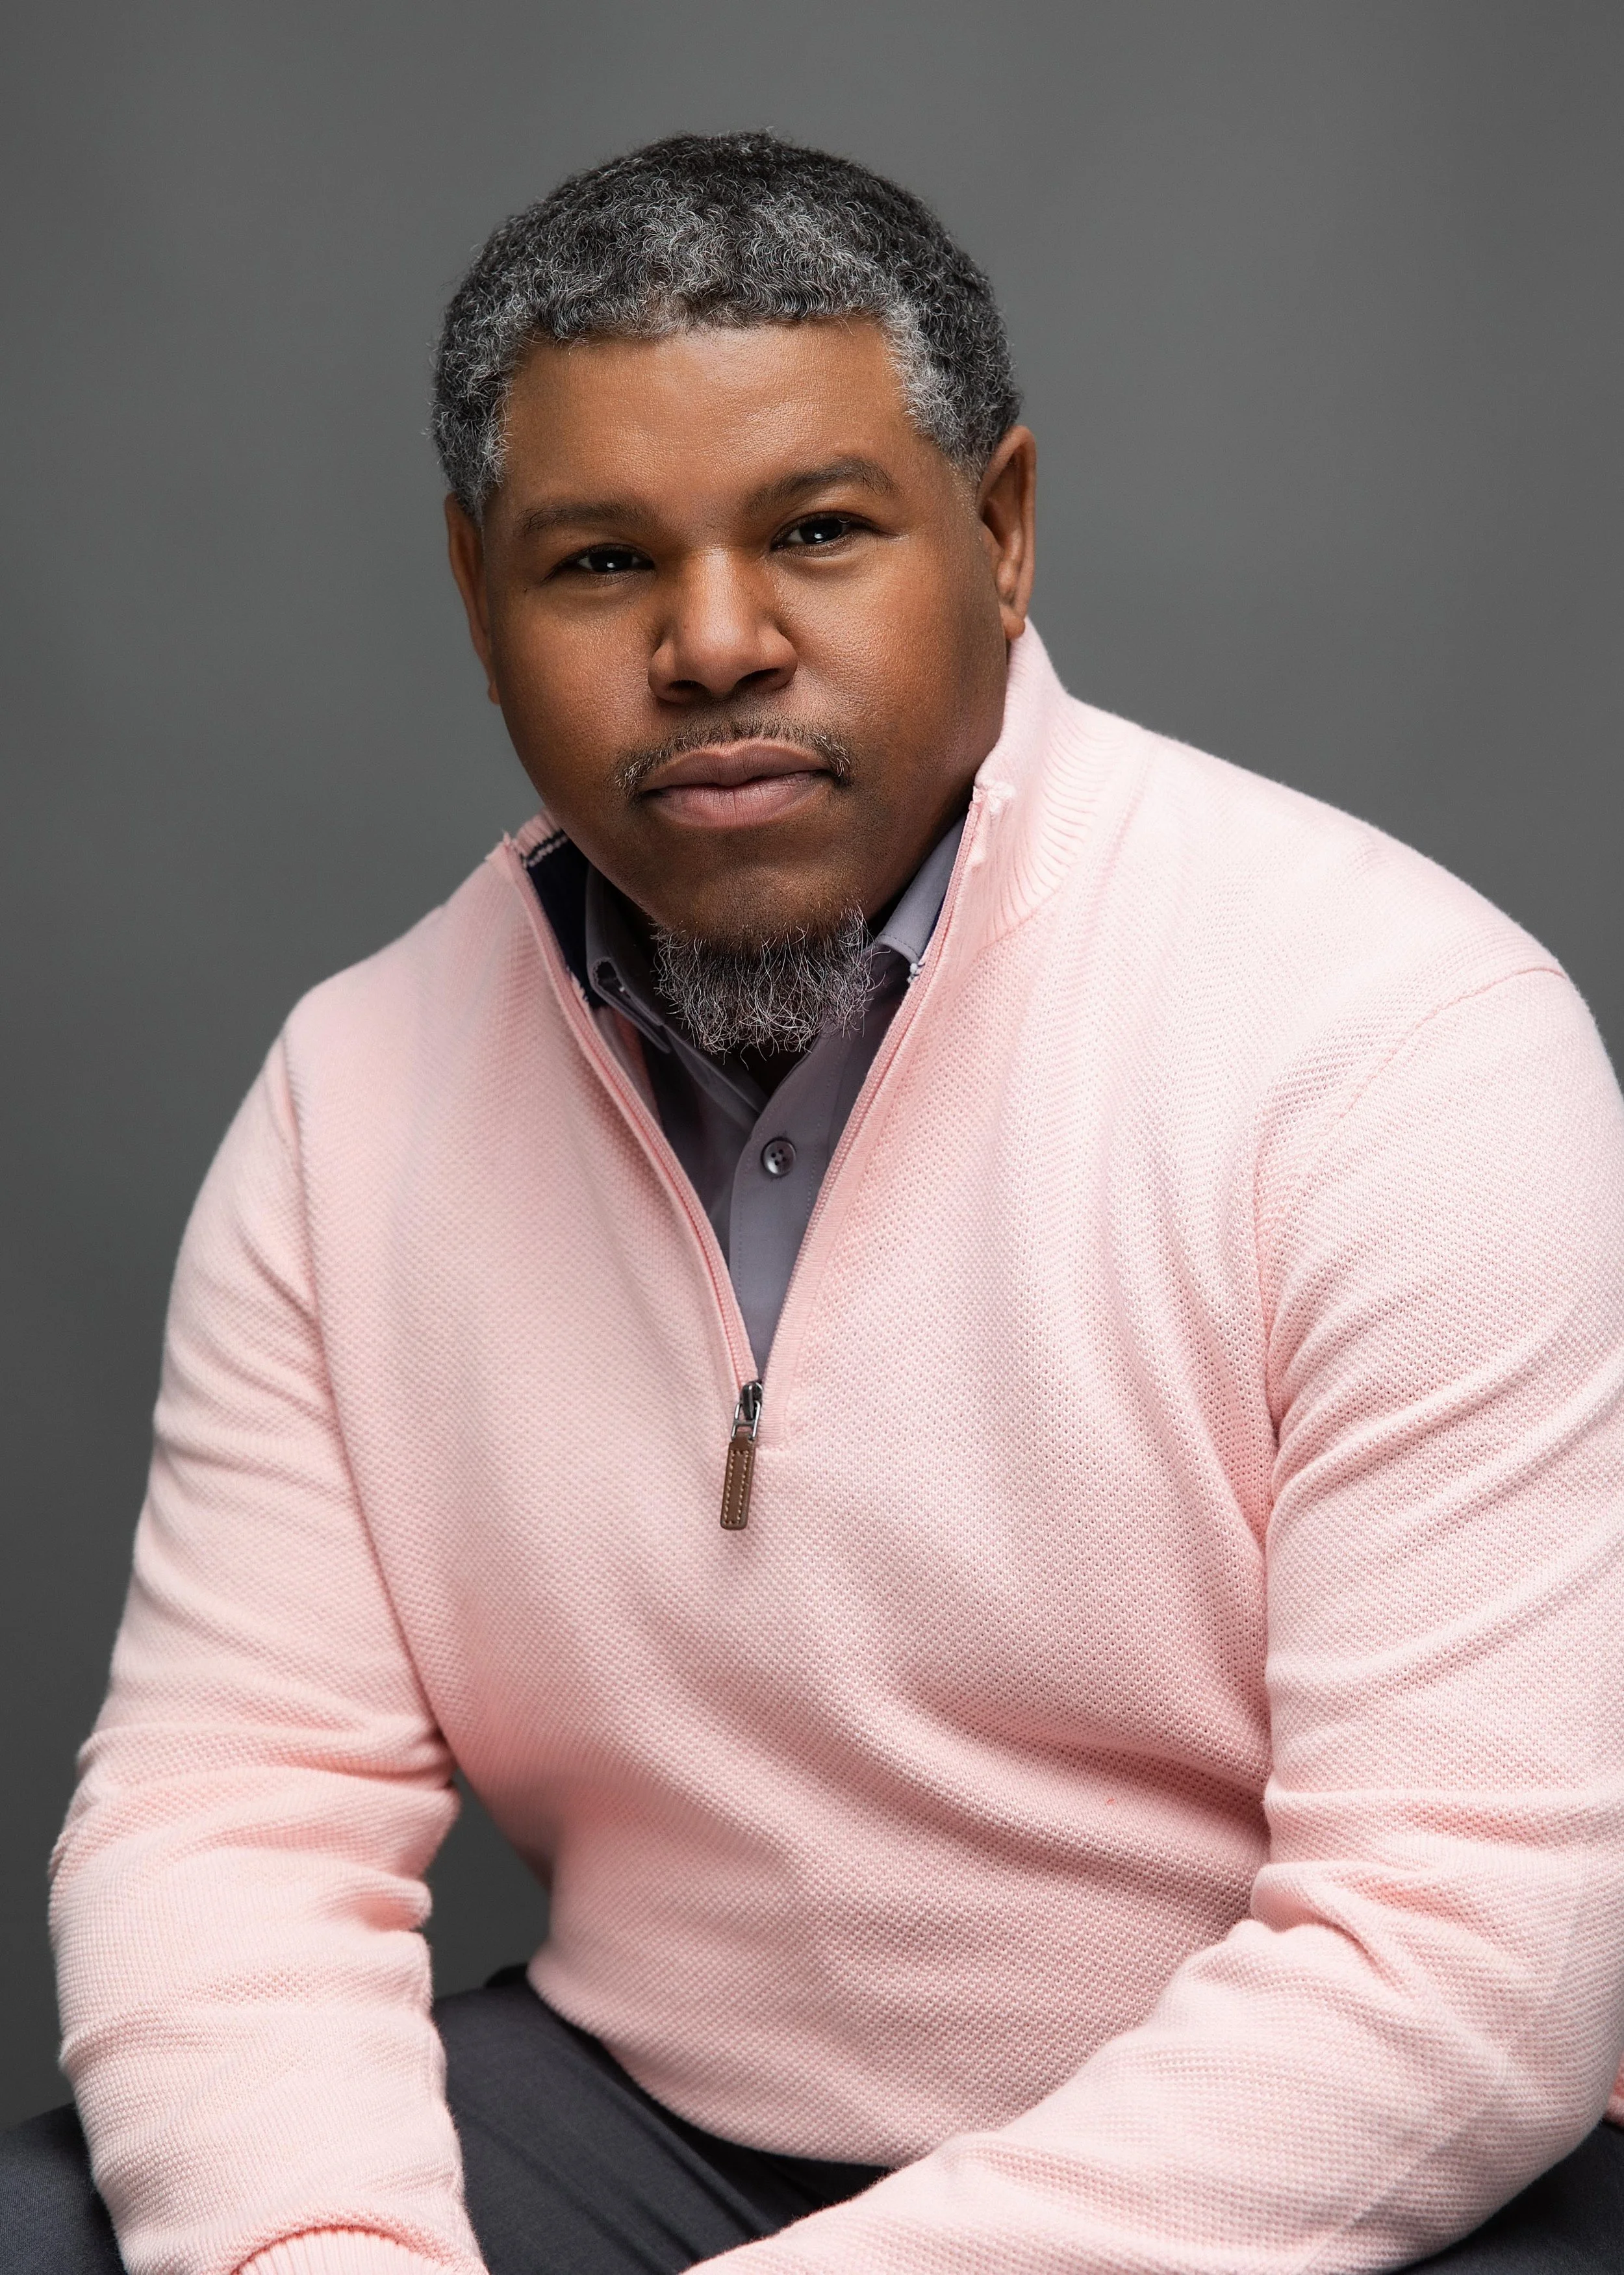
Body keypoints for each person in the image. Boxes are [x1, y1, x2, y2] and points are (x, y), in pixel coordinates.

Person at [5, 129, 1623, 2275]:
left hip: (1314, 2159)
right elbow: (235, 1805)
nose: (712, 641)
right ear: (478, 603)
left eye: (820, 530)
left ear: (1004, 533)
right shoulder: (349, 1094)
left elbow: (1471, 1951)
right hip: (645, 2128)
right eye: (596, 563)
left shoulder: (1393, 1037)